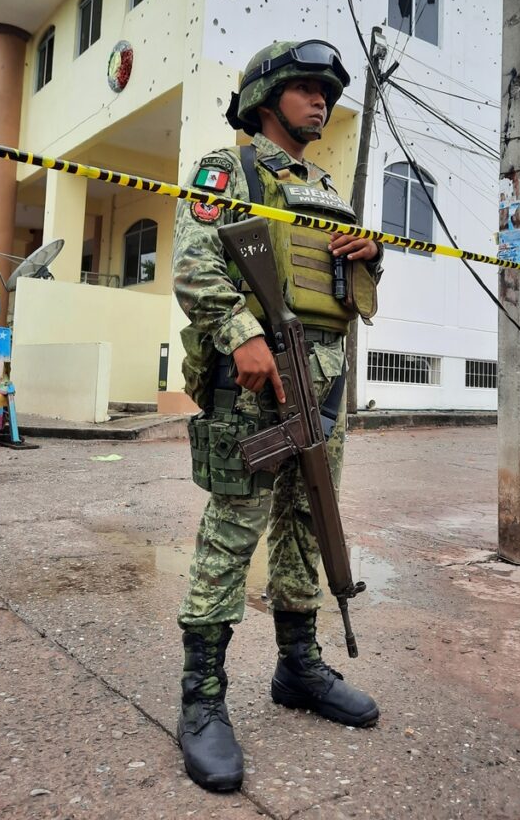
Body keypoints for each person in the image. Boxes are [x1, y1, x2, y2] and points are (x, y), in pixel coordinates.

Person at [172, 39, 383, 793]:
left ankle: (299, 668)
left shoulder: (324, 185)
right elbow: (195, 266)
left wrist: (366, 258)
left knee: (306, 525)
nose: (320, 100)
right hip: (259, 383)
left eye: (328, 90)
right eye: (305, 87)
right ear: (265, 97)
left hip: (324, 383)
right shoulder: (227, 170)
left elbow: (345, 296)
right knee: (231, 534)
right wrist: (243, 336)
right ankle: (201, 701)